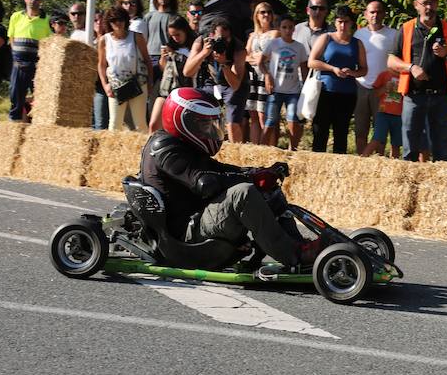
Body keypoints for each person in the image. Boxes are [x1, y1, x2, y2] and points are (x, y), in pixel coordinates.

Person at [139, 87, 324, 267]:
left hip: (198, 218)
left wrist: (256, 172)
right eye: (204, 124)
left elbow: (218, 169)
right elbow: (206, 184)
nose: (209, 130)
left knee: (267, 188)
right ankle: (295, 255)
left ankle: (298, 244)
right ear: (184, 121)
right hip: (185, 234)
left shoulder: (181, 144)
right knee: (243, 193)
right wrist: (251, 180)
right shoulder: (165, 148)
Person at [387, 0, 447, 162]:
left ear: (437, 3)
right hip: (413, 97)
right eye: (425, 3)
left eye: (432, 3)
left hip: (441, 98)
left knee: (442, 153)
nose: (429, 7)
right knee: (409, 152)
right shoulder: (406, 29)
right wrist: (410, 67)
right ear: (416, 5)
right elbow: (391, 61)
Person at [308, 5, 367, 154]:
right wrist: (332, 69)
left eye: (346, 22)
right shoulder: (326, 38)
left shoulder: (357, 43)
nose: (342, 25)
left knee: (341, 133)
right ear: (334, 22)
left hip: (347, 94)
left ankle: (338, 169)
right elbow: (312, 62)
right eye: (339, 21)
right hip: (325, 91)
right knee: (320, 131)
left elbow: (364, 69)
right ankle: (317, 165)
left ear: (352, 23)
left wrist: (353, 73)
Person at [184, 16, 248, 143]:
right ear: (212, 34)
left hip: (234, 82)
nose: (223, 42)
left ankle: (236, 151)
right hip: (211, 81)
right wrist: (204, 53)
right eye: (220, 38)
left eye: (226, 39)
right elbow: (187, 72)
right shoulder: (201, 42)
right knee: (200, 114)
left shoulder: (238, 48)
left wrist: (224, 64)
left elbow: (235, 85)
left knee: (232, 124)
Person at [97, 6, 153, 132]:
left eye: (121, 19)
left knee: (140, 124)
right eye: (114, 20)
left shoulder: (137, 37)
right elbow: (101, 64)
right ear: (109, 23)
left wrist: (150, 82)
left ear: (126, 20)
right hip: (115, 86)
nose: (118, 23)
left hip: (138, 84)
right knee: (114, 125)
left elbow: (147, 60)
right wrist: (105, 84)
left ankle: (143, 150)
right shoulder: (104, 40)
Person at [353, 0, 398, 154]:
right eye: (372, 12)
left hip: (384, 90)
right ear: (366, 15)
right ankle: (361, 163)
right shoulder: (358, 34)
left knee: (381, 131)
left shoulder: (393, 34)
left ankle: (380, 161)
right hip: (361, 87)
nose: (375, 15)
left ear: (384, 14)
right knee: (360, 129)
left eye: (378, 12)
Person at [262, 14, 308, 150]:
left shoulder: (299, 47)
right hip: (275, 89)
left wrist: (305, 87)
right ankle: (261, 150)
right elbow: (261, 62)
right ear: (279, 28)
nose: (287, 30)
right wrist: (267, 75)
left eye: (290, 27)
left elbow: (304, 68)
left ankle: (292, 150)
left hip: (293, 91)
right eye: (284, 27)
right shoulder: (274, 43)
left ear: (294, 29)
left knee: (293, 120)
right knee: (270, 121)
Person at [7, 0, 51, 121]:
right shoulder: (16, 16)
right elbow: (11, 38)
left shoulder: (46, 20)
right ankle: (14, 128)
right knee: (16, 99)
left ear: (41, 1)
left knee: (41, 101)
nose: (33, 0)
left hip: (37, 67)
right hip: (19, 65)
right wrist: (16, 57)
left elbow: (50, 44)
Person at [150, 16, 196, 131]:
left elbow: (189, 71)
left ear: (185, 31)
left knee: (177, 129)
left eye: (177, 35)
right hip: (166, 90)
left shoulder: (194, 47)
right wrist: (163, 57)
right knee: (153, 125)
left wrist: (177, 55)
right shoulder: (169, 45)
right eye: (172, 35)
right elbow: (163, 68)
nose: (175, 38)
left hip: (184, 94)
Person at [245, 2, 280, 144]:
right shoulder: (252, 35)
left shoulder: (275, 33)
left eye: (269, 12)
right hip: (253, 76)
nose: (266, 15)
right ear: (256, 16)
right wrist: (255, 58)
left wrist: (257, 57)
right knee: (253, 114)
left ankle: (268, 148)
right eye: (262, 12)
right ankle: (255, 148)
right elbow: (246, 56)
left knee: (264, 115)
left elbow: (271, 55)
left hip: (267, 76)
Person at [143, 0, 178, 104]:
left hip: (168, 58)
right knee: (147, 94)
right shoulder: (149, 17)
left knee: (164, 93)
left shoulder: (175, 17)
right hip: (149, 58)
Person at [360, 69, 402, 158]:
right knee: (377, 139)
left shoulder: (405, 77)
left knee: (396, 144)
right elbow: (376, 93)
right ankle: (363, 159)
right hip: (384, 113)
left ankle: (394, 166)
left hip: (399, 115)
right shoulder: (384, 74)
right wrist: (385, 88)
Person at [91, 13, 110, 130]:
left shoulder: (109, 41)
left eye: (101, 20)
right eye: (95, 20)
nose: (98, 22)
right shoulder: (89, 40)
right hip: (88, 86)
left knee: (100, 124)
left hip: (102, 85)